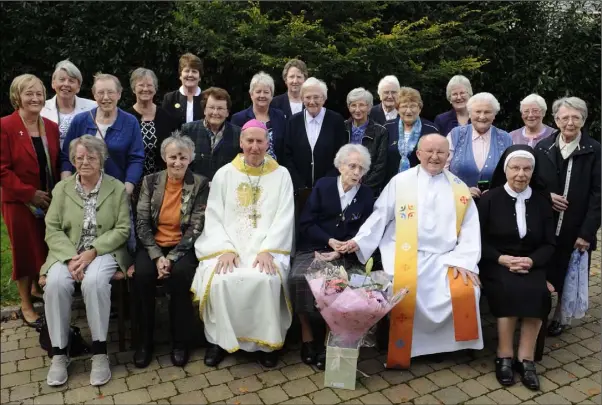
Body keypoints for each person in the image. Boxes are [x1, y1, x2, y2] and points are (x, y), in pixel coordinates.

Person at [343, 133, 483, 369]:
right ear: (418, 154)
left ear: (448, 156)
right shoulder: (401, 181)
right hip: (404, 252)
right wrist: (359, 241)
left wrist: (464, 260)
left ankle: (447, 346)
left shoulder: (459, 189)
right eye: (429, 151)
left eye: (441, 152)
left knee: (464, 289)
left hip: (446, 257)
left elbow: (470, 230)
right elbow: (381, 215)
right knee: (404, 288)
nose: (435, 157)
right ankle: (410, 346)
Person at [190, 119, 294, 368]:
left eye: (260, 141)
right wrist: (224, 249)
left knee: (266, 280)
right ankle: (219, 341)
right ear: (241, 142)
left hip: (267, 247)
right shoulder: (225, 174)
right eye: (250, 141)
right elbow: (213, 216)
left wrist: (269, 250)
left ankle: (266, 344)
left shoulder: (282, 175)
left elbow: (285, 216)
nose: (255, 147)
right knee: (222, 278)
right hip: (230, 245)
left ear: (268, 143)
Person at [41, 136, 131, 387]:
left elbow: (122, 229)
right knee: (56, 284)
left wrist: (93, 250)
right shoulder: (62, 189)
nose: (85, 162)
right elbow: (52, 229)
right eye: (79, 158)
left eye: (91, 157)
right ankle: (59, 354)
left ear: (101, 159)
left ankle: (100, 352)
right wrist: (71, 257)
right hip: (68, 252)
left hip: (105, 251)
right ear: (73, 160)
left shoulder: (116, 188)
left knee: (94, 283)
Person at [290, 144, 374, 369]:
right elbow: (307, 222)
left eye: (361, 168)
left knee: (337, 286)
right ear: (340, 166)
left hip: (345, 253)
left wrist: (341, 249)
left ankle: (330, 341)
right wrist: (328, 241)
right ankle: (308, 338)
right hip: (314, 248)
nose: (356, 172)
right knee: (297, 279)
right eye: (352, 166)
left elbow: (366, 231)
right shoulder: (323, 186)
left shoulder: (367, 195)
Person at [479, 145, 556, 390]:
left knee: (539, 293)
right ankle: (504, 355)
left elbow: (549, 243)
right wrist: (501, 259)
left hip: (531, 262)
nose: (521, 174)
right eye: (515, 168)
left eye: (526, 169)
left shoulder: (542, 202)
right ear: (506, 170)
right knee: (507, 288)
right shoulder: (490, 199)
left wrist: (532, 261)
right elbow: (478, 240)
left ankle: (526, 359)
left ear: (533, 172)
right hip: (497, 262)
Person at [131, 134, 209, 368]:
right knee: (142, 276)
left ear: (190, 158)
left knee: (179, 277)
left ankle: (180, 343)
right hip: (153, 245)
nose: (177, 162)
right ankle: (144, 343)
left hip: (183, 247)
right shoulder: (150, 181)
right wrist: (157, 257)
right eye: (173, 156)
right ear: (164, 157)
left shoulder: (200, 183)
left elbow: (197, 225)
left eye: (182, 157)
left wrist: (172, 258)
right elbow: (142, 223)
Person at [534, 97, 601, 337]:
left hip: (576, 227)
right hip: (546, 226)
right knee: (544, 269)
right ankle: (536, 314)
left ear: (583, 120)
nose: (569, 122)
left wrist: (587, 233)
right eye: (564, 117)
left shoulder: (594, 150)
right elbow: (533, 184)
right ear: (556, 120)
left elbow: (598, 195)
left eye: (575, 117)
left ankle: (561, 316)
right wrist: (547, 196)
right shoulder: (543, 147)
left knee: (568, 272)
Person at [0, 74, 60, 327]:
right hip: (19, 203)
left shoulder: (50, 127)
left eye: (39, 93)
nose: (35, 98)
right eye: (29, 93)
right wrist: (29, 193)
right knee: (24, 252)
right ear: (17, 97)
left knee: (44, 247)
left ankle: (37, 288)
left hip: (48, 200)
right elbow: (2, 169)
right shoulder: (5, 126)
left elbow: (56, 165)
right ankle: (25, 303)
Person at [60, 73, 145, 196]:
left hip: (116, 192)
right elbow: (66, 157)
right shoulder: (80, 121)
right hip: (80, 192)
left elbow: (136, 159)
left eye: (110, 92)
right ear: (94, 95)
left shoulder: (130, 122)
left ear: (119, 94)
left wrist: (126, 190)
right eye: (100, 93)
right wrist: (66, 187)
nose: (105, 97)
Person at [283, 77, 347, 193]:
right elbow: (287, 155)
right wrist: (299, 184)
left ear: (324, 99)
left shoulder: (336, 121)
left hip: (329, 188)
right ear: (302, 99)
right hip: (298, 190)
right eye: (307, 97)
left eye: (316, 97)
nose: (312, 102)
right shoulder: (293, 122)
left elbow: (342, 155)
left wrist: (326, 183)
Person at [445, 92, 512, 199]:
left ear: (494, 115)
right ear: (470, 114)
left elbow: (512, 173)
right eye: (478, 112)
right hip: (458, 201)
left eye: (487, 112)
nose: (482, 116)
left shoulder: (506, 138)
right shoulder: (455, 135)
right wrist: (462, 189)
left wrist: (495, 192)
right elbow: (443, 169)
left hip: (495, 202)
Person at [127, 68, 179, 183]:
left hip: (163, 181)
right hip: (133, 181)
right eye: (141, 85)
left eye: (150, 85)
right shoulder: (125, 118)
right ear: (133, 89)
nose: (145, 89)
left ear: (155, 89)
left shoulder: (167, 117)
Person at [181, 87, 242, 181]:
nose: (215, 112)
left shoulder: (238, 134)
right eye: (212, 107)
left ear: (227, 112)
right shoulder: (188, 130)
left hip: (226, 189)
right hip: (195, 189)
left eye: (220, 108)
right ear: (204, 110)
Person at [384, 87, 439, 183]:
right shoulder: (387, 128)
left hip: (422, 185)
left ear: (419, 109)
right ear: (397, 109)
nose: (408, 111)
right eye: (404, 106)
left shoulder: (431, 130)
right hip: (391, 184)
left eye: (413, 106)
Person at [231, 71, 286, 161]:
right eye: (258, 92)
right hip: (248, 170)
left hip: (275, 170)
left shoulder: (280, 116)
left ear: (272, 95)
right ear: (251, 94)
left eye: (266, 92)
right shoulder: (238, 119)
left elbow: (284, 148)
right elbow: (235, 150)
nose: (262, 95)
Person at [41, 60, 97, 148]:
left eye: (71, 81)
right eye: (62, 79)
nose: (66, 84)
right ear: (53, 83)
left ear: (78, 87)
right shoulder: (41, 109)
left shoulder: (93, 107)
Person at [344, 88, 388, 194]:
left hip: (367, 190)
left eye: (362, 105)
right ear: (349, 107)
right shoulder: (341, 127)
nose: (357, 109)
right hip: (343, 187)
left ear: (369, 107)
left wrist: (362, 188)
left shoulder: (380, 131)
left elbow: (380, 166)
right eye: (353, 105)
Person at [162, 53, 204, 128]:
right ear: (180, 75)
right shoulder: (170, 98)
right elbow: (165, 126)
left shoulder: (207, 98)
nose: (190, 75)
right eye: (187, 71)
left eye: (194, 71)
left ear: (199, 77)